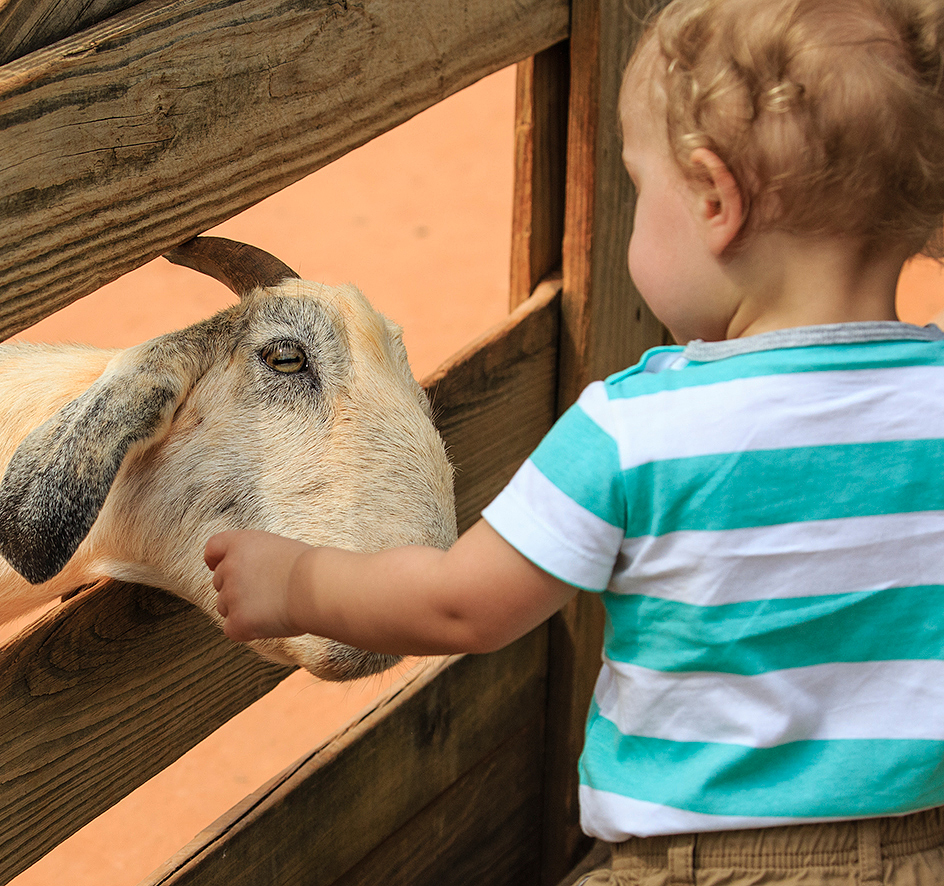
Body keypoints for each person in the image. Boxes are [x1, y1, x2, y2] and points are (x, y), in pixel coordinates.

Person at [206, 0, 944, 881]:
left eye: (639, 188)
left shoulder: (641, 430)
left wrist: (295, 581)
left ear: (714, 199)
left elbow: (463, 605)